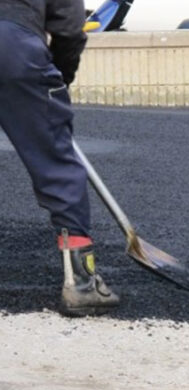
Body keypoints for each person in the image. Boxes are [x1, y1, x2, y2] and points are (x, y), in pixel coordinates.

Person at [0, 0, 120, 316]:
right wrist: (58, 80)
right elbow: (69, 28)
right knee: (56, 163)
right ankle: (81, 283)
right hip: (12, 47)